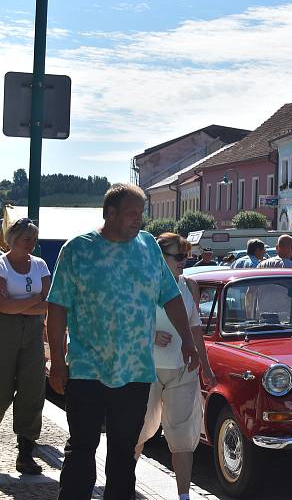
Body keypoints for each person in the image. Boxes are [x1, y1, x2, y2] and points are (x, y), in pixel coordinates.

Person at [47, 183, 199, 500]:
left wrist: (187, 339)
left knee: (123, 453)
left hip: (135, 372)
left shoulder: (148, 247)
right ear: (110, 213)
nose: (138, 221)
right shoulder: (78, 250)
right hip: (87, 370)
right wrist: (58, 363)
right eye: (132, 214)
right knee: (81, 450)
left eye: (141, 214)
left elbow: (171, 297)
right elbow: (57, 307)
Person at [135, 233, 216, 500]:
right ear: (160, 256)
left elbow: (195, 329)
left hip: (183, 370)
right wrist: (151, 335)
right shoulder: (142, 284)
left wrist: (205, 365)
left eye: (186, 255)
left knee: (183, 438)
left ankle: (183, 496)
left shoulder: (189, 285)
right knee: (138, 431)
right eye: (178, 256)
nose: (184, 261)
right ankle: (123, 485)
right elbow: (125, 323)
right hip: (147, 369)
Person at [0, 218, 50, 474]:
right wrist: (34, 301)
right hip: (3, 332)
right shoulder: (1, 264)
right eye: (26, 239)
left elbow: (49, 302)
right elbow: (2, 306)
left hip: (32, 334)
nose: (31, 244)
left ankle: (25, 452)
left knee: (33, 389)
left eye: (34, 239)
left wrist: (20, 304)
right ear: (13, 239)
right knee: (1, 388)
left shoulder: (40, 265)